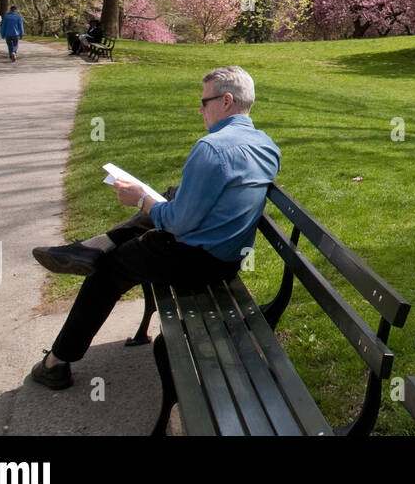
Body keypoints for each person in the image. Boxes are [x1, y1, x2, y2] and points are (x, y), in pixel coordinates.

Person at [28, 66, 280, 389]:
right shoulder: (267, 146)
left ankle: (57, 362)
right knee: (171, 195)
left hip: (197, 260)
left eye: (205, 101)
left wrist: (139, 200)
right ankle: (93, 245)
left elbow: (178, 223)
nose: (200, 108)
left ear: (227, 101)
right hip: (229, 258)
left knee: (108, 270)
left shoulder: (212, 149)